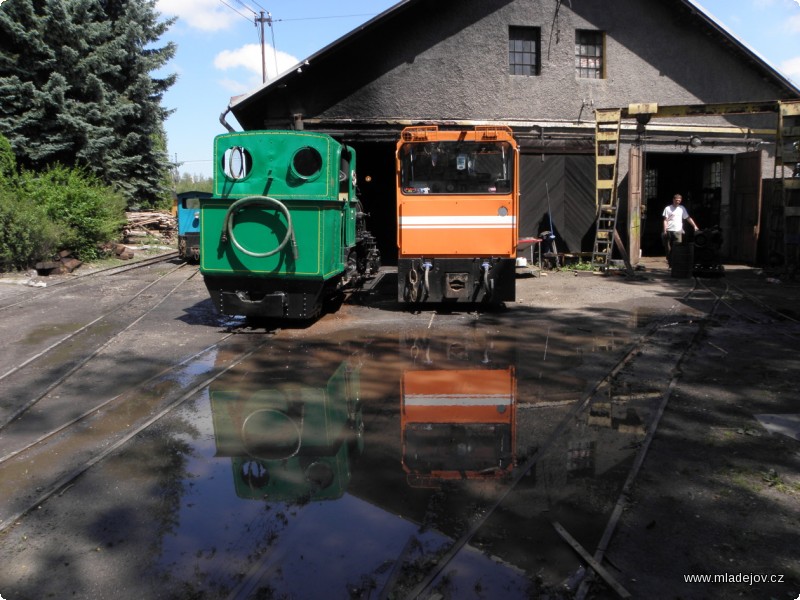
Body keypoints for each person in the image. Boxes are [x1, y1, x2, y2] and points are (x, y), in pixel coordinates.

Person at [662, 193, 699, 265]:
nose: (677, 202)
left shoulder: (682, 208)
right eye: (676, 200)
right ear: (673, 200)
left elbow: (687, 218)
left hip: (678, 230)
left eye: (679, 200)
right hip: (669, 229)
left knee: (677, 246)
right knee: (668, 247)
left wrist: (694, 226)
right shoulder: (668, 208)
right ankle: (670, 261)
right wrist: (664, 230)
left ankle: (675, 262)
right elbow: (665, 220)